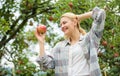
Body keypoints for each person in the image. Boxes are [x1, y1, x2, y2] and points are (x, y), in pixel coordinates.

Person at [35, 7, 106, 76]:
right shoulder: (59, 47)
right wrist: (41, 42)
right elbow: (45, 65)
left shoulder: (90, 39)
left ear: (74, 22)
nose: (62, 26)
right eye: (61, 25)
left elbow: (100, 14)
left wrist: (79, 17)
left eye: (64, 23)